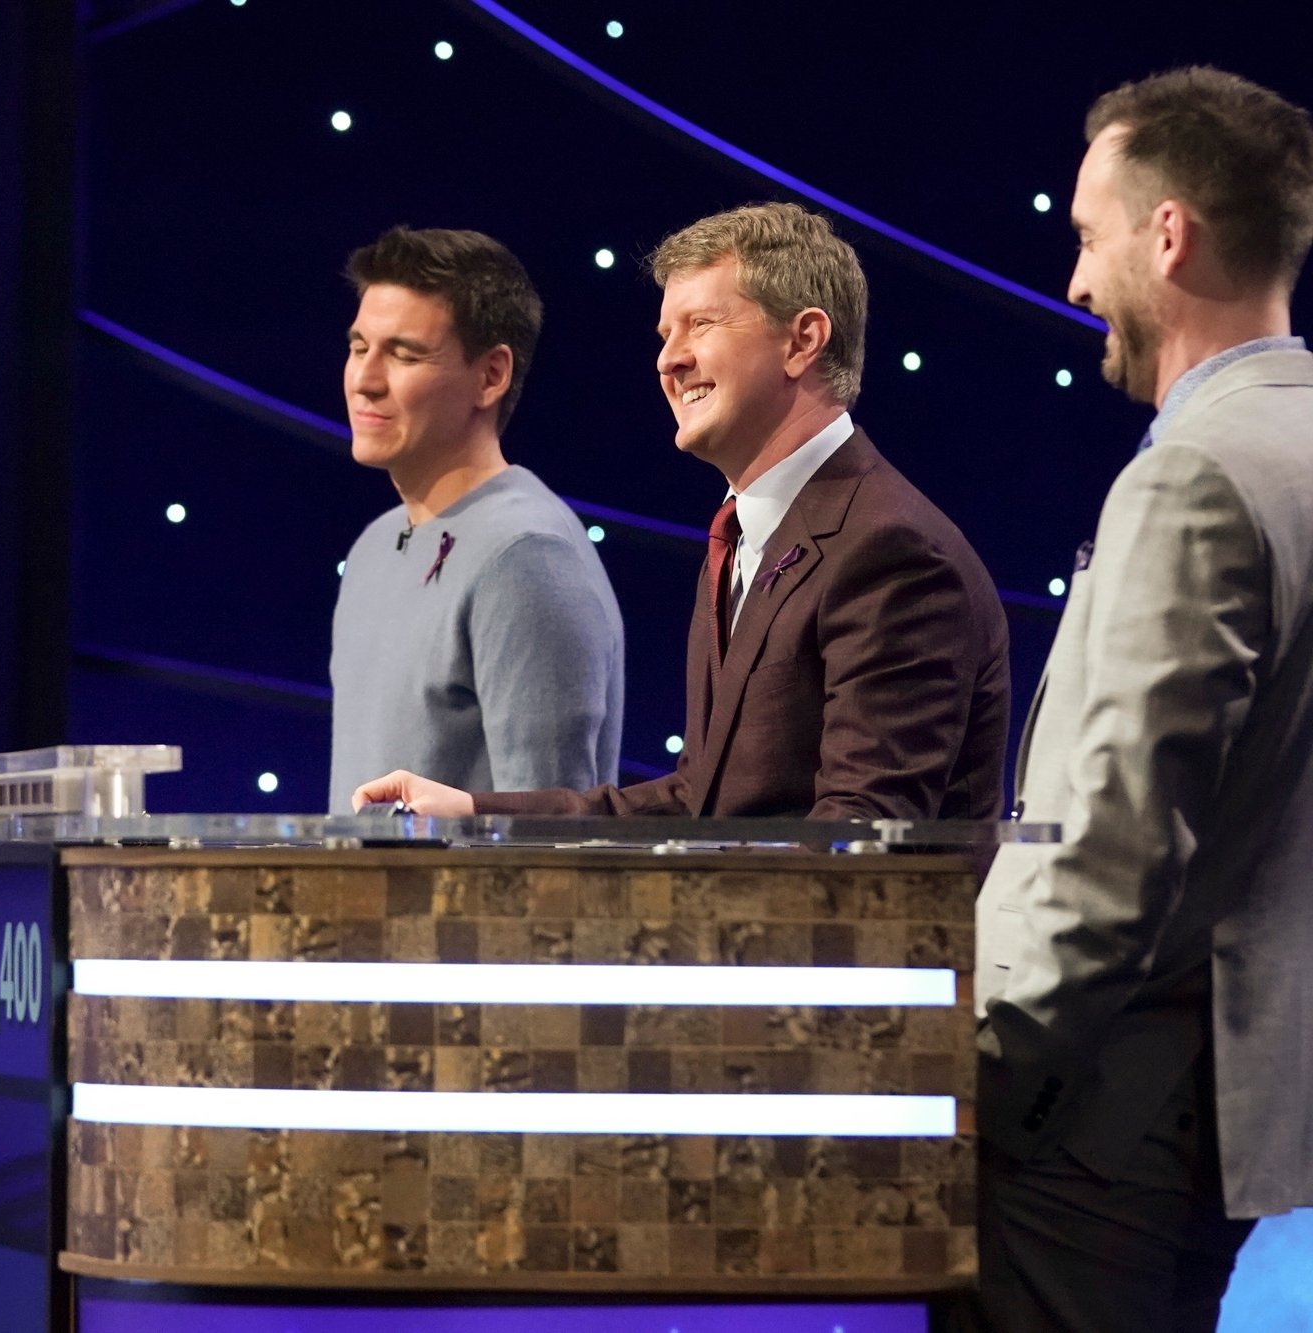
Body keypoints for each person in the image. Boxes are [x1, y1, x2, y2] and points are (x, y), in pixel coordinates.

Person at [974, 68, 1313, 1331]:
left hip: (1105, 1121)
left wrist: (979, 1076)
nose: (1071, 283)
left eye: (1083, 236)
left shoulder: (1192, 475)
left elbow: (1109, 850)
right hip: (1241, 1106)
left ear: (1164, 234)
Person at [355, 203, 1009, 822]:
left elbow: (860, 848)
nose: (669, 358)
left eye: (701, 324)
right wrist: (472, 811)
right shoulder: (742, 539)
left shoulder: (891, 551)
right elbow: (698, 799)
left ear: (803, 340)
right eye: (666, 333)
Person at [327, 226, 624, 815]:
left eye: (404, 353)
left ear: (491, 376)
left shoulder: (525, 554)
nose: (365, 379)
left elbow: (550, 848)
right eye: (360, 347)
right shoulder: (373, 545)